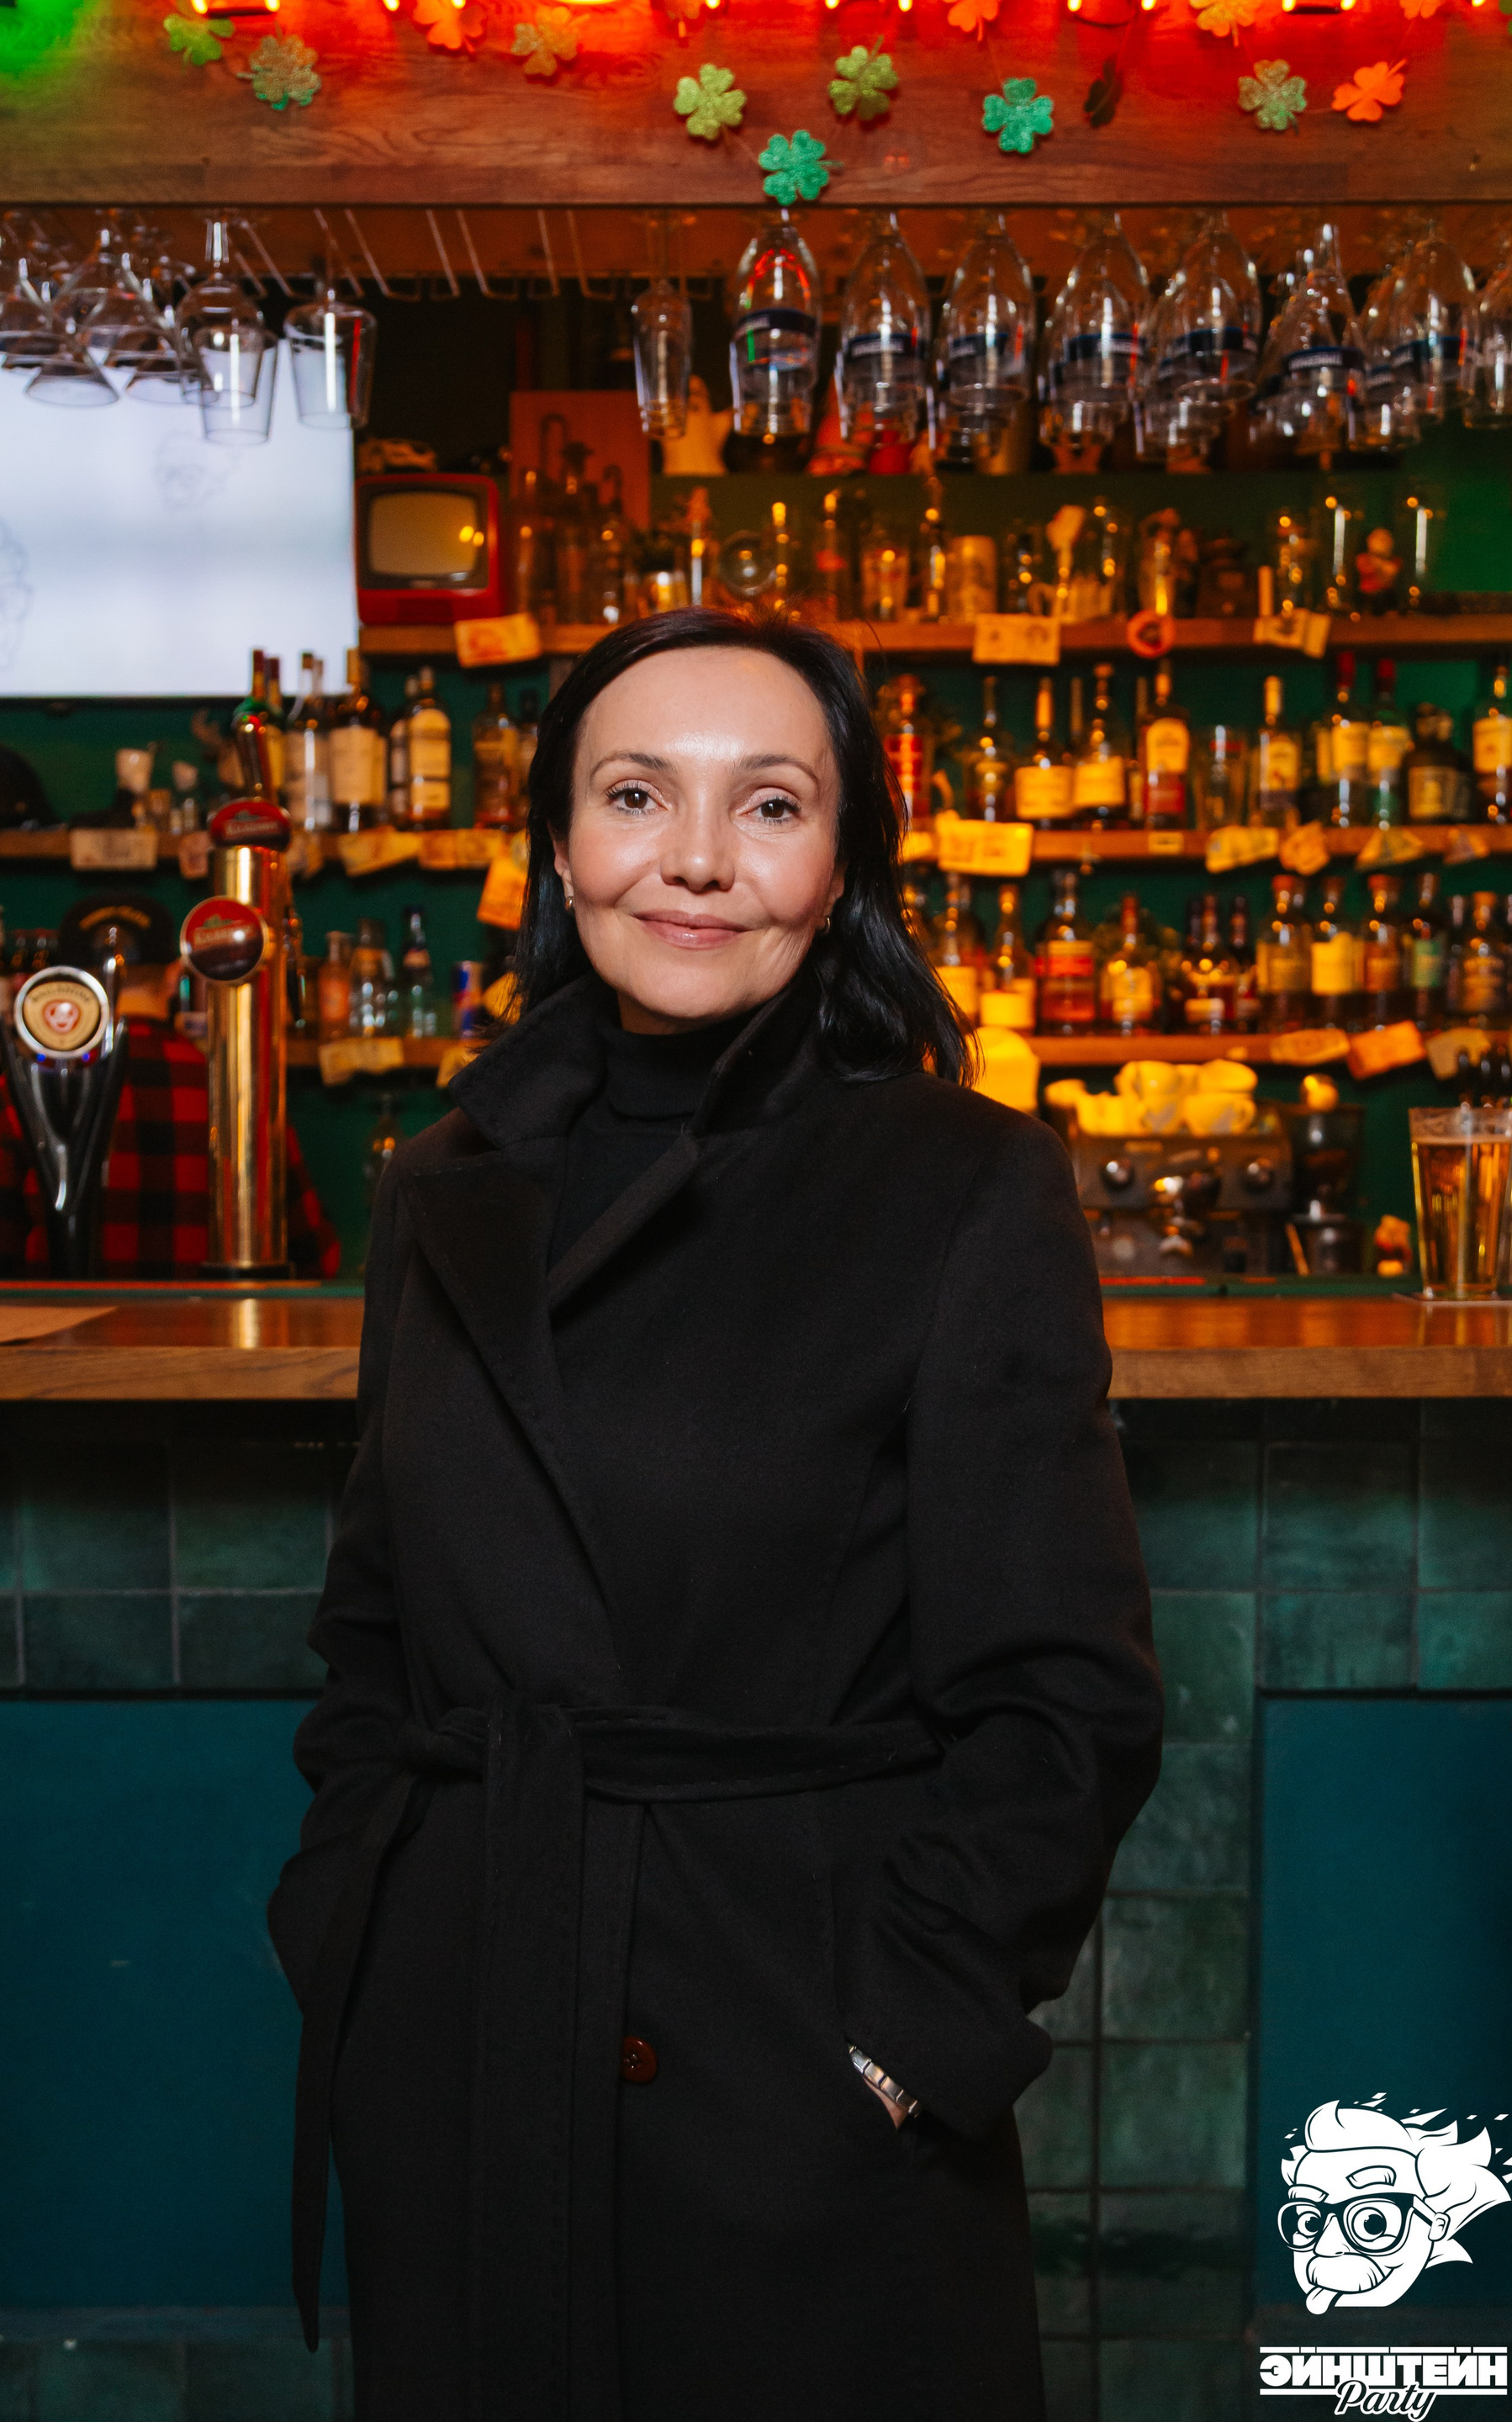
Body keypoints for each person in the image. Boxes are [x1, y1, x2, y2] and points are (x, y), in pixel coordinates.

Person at [269, 611, 1161, 2422]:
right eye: (633, 795)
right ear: (558, 848)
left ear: (840, 867)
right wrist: (355, 1920)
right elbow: (375, 1622)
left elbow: (1065, 1698)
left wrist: (899, 2048)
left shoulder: (965, 1182)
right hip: (466, 2035)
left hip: (787, 2067)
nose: (693, 859)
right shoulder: (443, 1178)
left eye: (767, 804)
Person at [0, 891, 338, 1282]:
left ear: (66, 983)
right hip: (212, 1325)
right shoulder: (242, 1094)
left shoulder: (12, 1097)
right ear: (175, 975)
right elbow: (316, 1260)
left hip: (64, 1326)